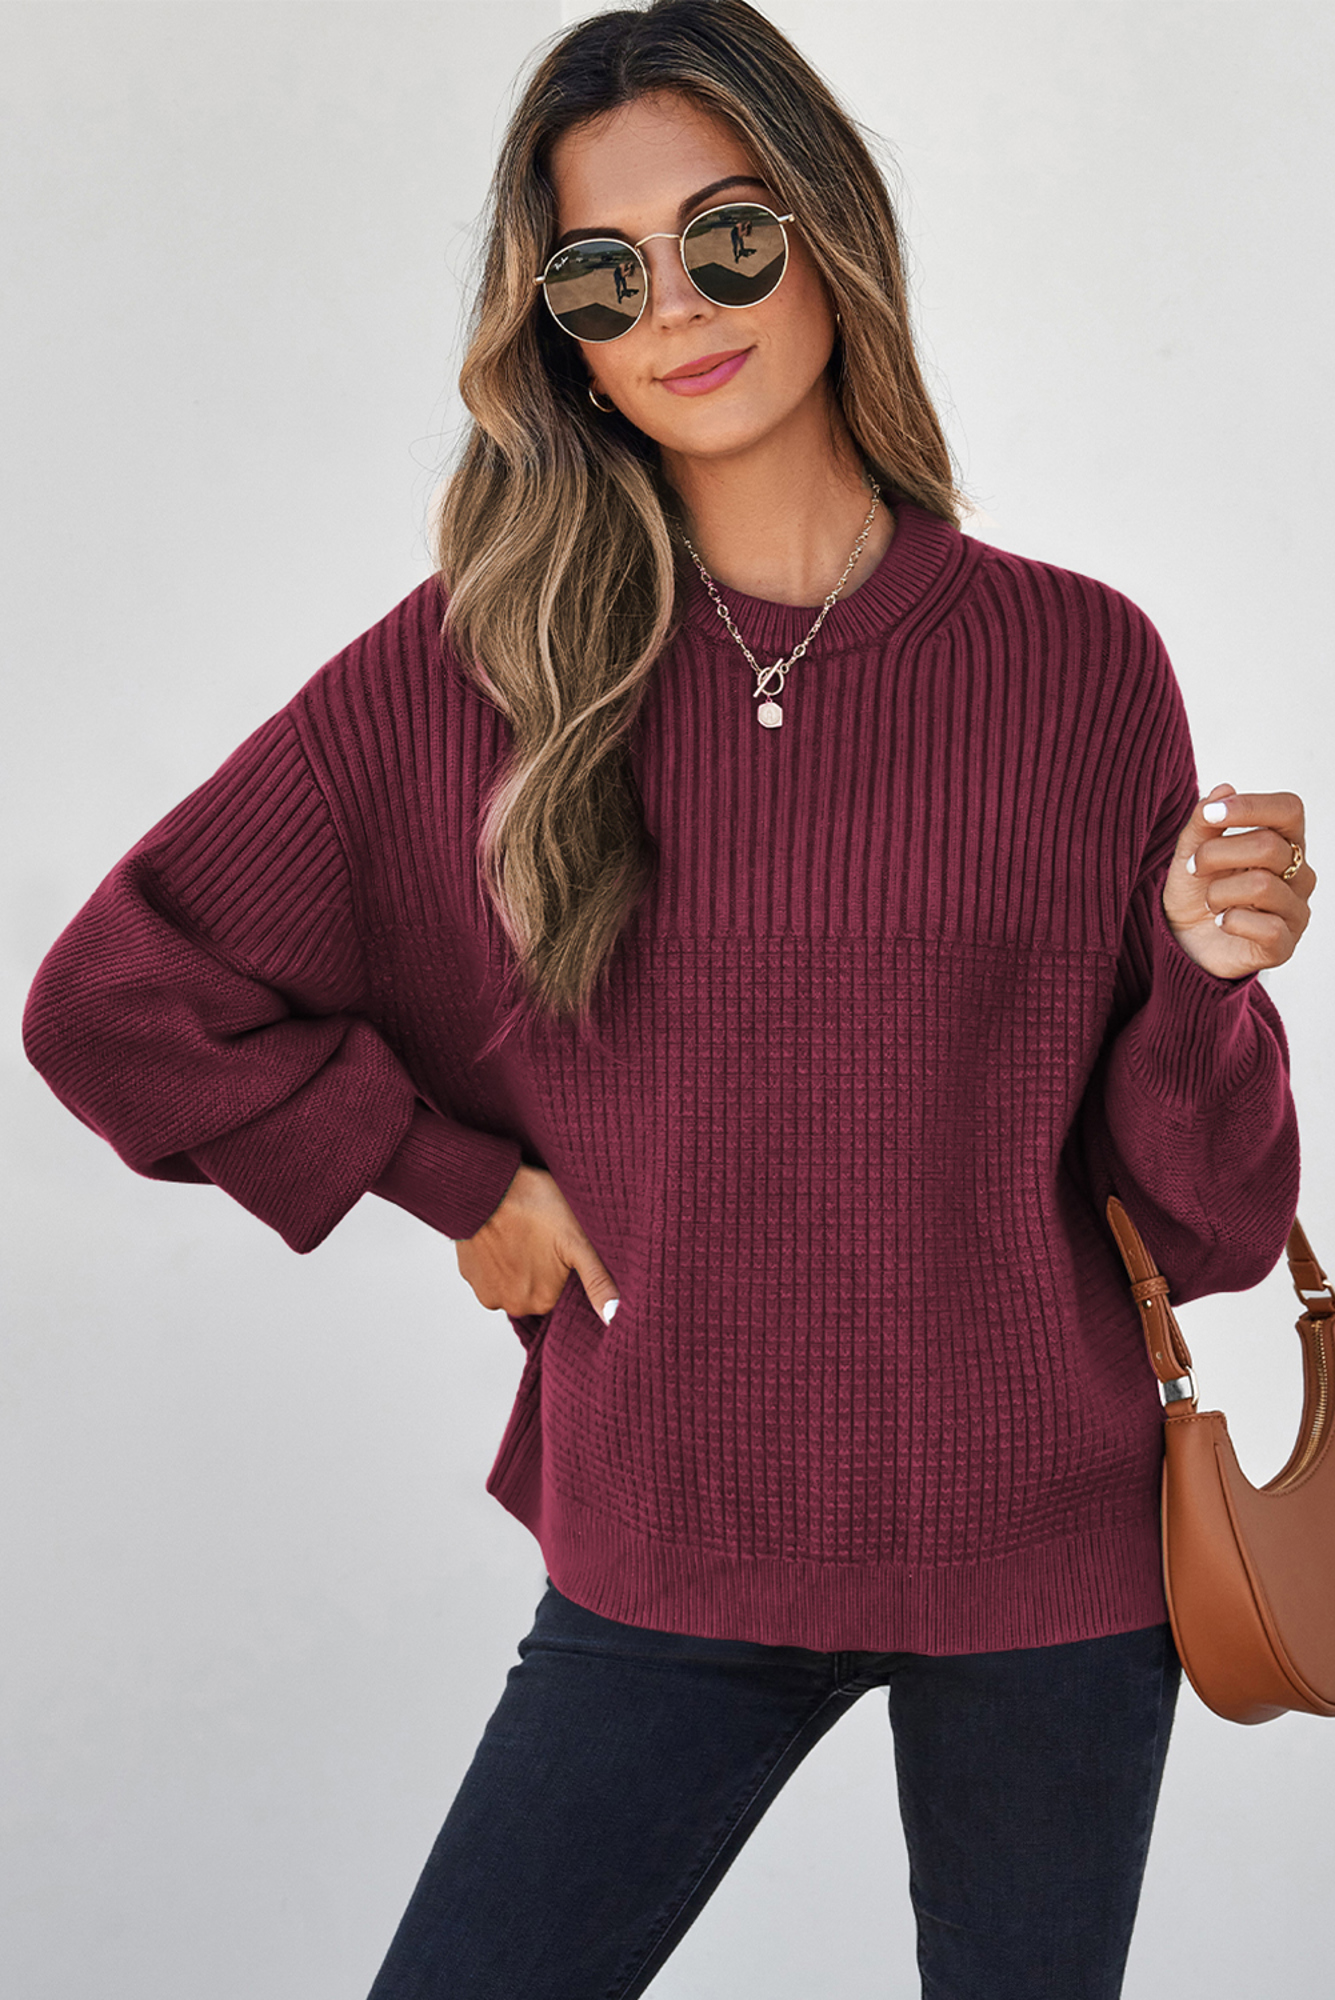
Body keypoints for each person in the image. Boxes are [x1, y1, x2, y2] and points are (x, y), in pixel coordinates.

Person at [20, 3, 1316, 1996]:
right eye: (600, 276)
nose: (676, 307)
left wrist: (1207, 989)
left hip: (1049, 1559)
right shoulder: (483, 669)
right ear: (558, 336)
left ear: (826, 236)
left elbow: (1206, 1230)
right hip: (673, 1534)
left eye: (725, 237)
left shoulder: (1079, 666)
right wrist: (449, 1176)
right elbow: (117, 1000)